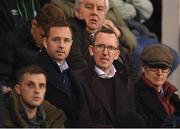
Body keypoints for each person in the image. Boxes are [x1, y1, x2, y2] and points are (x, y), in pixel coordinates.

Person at [52, 0, 138, 81]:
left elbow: (130, 69)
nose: (94, 12)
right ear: (77, 12)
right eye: (89, 7)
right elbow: (78, 66)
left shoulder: (108, 33)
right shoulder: (70, 31)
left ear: (105, 15)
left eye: (100, 9)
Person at [0, 3, 66, 92]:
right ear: (34, 24)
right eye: (43, 36)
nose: (45, 43)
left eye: (52, 38)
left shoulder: (58, 45)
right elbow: (4, 81)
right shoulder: (10, 42)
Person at [77, 28, 135, 127]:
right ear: (91, 50)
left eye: (111, 48)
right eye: (100, 46)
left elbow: (132, 120)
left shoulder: (126, 81)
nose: (105, 53)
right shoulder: (79, 80)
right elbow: (81, 124)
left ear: (117, 54)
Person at [37, 19, 84, 127]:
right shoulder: (36, 70)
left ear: (71, 44)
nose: (61, 45)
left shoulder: (72, 71)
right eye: (56, 40)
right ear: (45, 42)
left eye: (66, 40)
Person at [134, 44, 180, 127]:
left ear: (169, 71)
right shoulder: (133, 95)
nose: (159, 73)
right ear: (143, 68)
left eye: (164, 67)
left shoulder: (171, 95)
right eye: (154, 67)